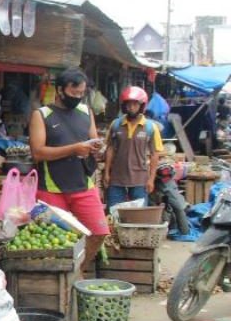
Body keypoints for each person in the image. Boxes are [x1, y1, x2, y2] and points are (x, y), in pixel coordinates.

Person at [29, 67, 108, 270]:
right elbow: (37, 153)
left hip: (83, 184)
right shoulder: (42, 115)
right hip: (51, 188)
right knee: (53, 239)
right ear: (60, 90)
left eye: (81, 93)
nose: (78, 97)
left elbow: (92, 139)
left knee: (99, 232)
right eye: (74, 93)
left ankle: (77, 270)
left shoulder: (85, 111)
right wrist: (74, 149)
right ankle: (60, 279)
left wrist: (96, 148)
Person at [103, 86, 163, 209]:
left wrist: (151, 179)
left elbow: (155, 154)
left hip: (140, 179)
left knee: (138, 216)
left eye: (135, 104)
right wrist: (107, 173)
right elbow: (110, 149)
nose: (131, 107)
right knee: (114, 214)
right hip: (117, 178)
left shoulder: (150, 127)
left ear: (141, 106)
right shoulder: (116, 125)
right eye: (128, 104)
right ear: (124, 106)